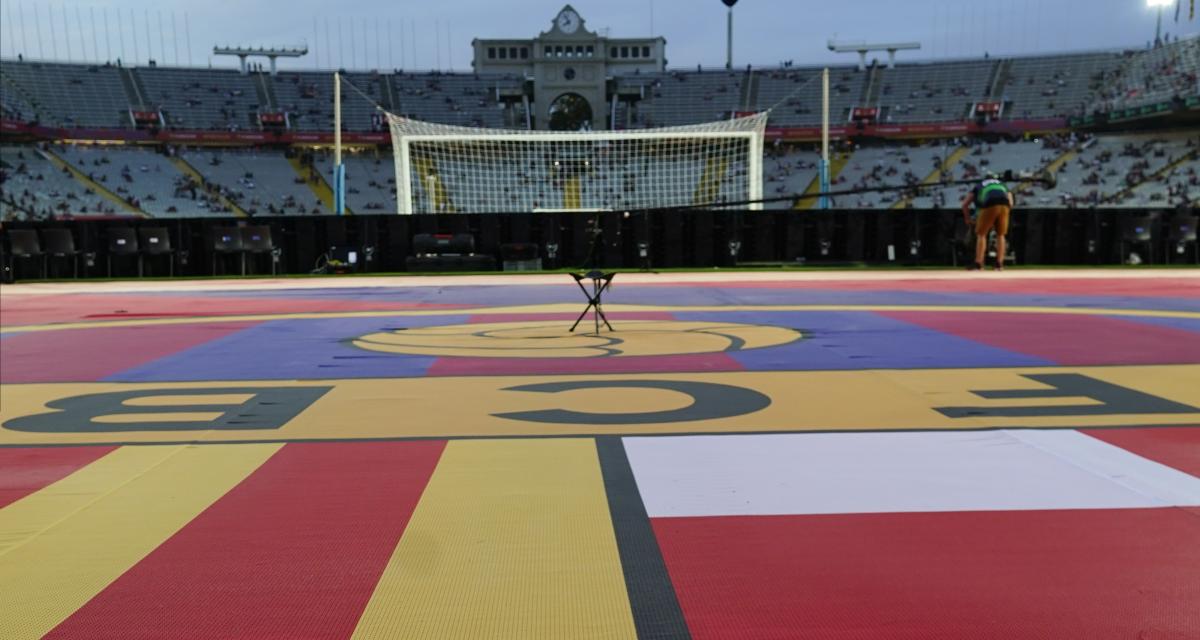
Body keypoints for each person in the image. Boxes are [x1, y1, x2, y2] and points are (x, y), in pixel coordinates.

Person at [961, 172, 1014, 270]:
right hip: (1005, 204)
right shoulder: (1002, 185)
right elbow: (1011, 202)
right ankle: (999, 264)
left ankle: (978, 264)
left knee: (981, 234)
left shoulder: (979, 185)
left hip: (990, 203)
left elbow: (965, 204)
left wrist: (967, 219)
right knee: (1001, 235)